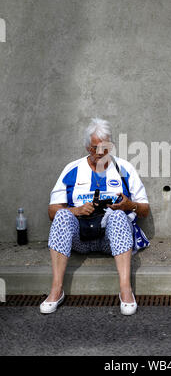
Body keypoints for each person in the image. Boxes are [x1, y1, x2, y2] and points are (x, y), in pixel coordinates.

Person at [40, 118, 149, 315]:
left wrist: (129, 205)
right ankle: (56, 290)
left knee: (117, 216)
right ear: (86, 146)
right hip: (79, 239)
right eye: (93, 148)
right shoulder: (72, 169)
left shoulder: (124, 168)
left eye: (104, 148)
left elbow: (145, 209)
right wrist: (76, 210)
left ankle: (126, 290)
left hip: (112, 241)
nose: (99, 153)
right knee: (63, 216)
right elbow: (52, 211)